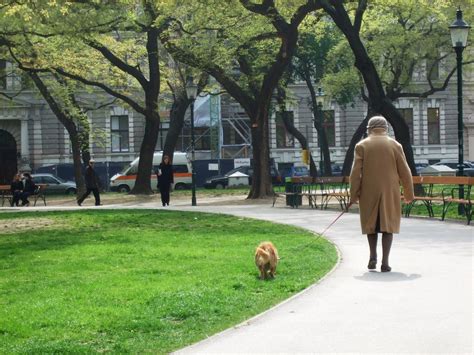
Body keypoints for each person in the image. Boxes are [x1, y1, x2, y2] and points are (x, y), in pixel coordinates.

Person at [349, 115, 414, 272]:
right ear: (386, 128)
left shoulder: (361, 145)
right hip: (389, 191)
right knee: (387, 226)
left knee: (371, 226)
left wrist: (353, 195)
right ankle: (385, 262)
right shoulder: (395, 145)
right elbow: (405, 172)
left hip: (368, 191)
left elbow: (355, 173)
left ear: (369, 129)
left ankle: (372, 256)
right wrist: (408, 194)